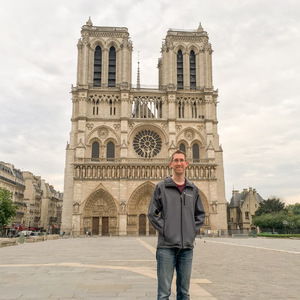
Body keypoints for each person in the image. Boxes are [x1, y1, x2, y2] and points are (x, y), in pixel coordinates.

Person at [148, 150, 206, 300]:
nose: (179, 163)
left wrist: (191, 231)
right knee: (163, 294)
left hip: (187, 248)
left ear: (186, 164)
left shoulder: (193, 189)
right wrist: (166, 230)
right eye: (176, 160)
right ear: (171, 164)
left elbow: (200, 215)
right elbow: (152, 213)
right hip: (166, 248)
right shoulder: (161, 187)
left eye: (182, 160)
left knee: (184, 293)